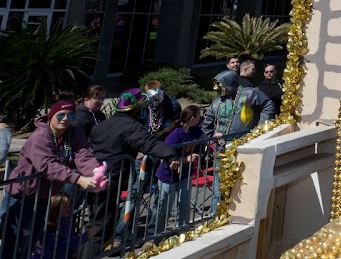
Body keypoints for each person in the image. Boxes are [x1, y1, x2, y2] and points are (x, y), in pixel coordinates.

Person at [3, 100, 102, 258]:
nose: (65, 119)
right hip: (22, 196)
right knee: (15, 244)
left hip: (45, 196)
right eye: (61, 115)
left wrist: (95, 171)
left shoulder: (73, 132)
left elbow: (83, 153)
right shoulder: (40, 137)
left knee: (32, 242)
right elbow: (47, 165)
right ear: (51, 115)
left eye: (71, 115)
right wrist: (78, 179)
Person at [90, 88, 179, 245]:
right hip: (110, 180)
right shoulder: (129, 126)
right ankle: (90, 251)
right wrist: (170, 155)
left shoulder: (101, 125)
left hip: (93, 178)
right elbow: (148, 143)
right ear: (136, 108)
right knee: (101, 227)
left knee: (97, 222)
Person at [154, 106, 205, 234]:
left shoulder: (194, 130)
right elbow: (166, 157)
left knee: (184, 204)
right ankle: (158, 235)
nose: (200, 118)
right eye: (199, 116)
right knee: (165, 208)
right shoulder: (175, 135)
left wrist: (216, 139)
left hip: (185, 174)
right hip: (168, 176)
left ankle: (183, 231)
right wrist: (186, 160)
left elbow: (206, 138)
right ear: (192, 118)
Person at [202, 70, 276, 144]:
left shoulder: (250, 94)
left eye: (219, 85)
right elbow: (207, 126)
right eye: (215, 85)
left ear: (228, 83)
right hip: (220, 145)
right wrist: (210, 142)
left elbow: (268, 105)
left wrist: (261, 125)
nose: (215, 88)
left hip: (246, 142)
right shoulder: (216, 103)